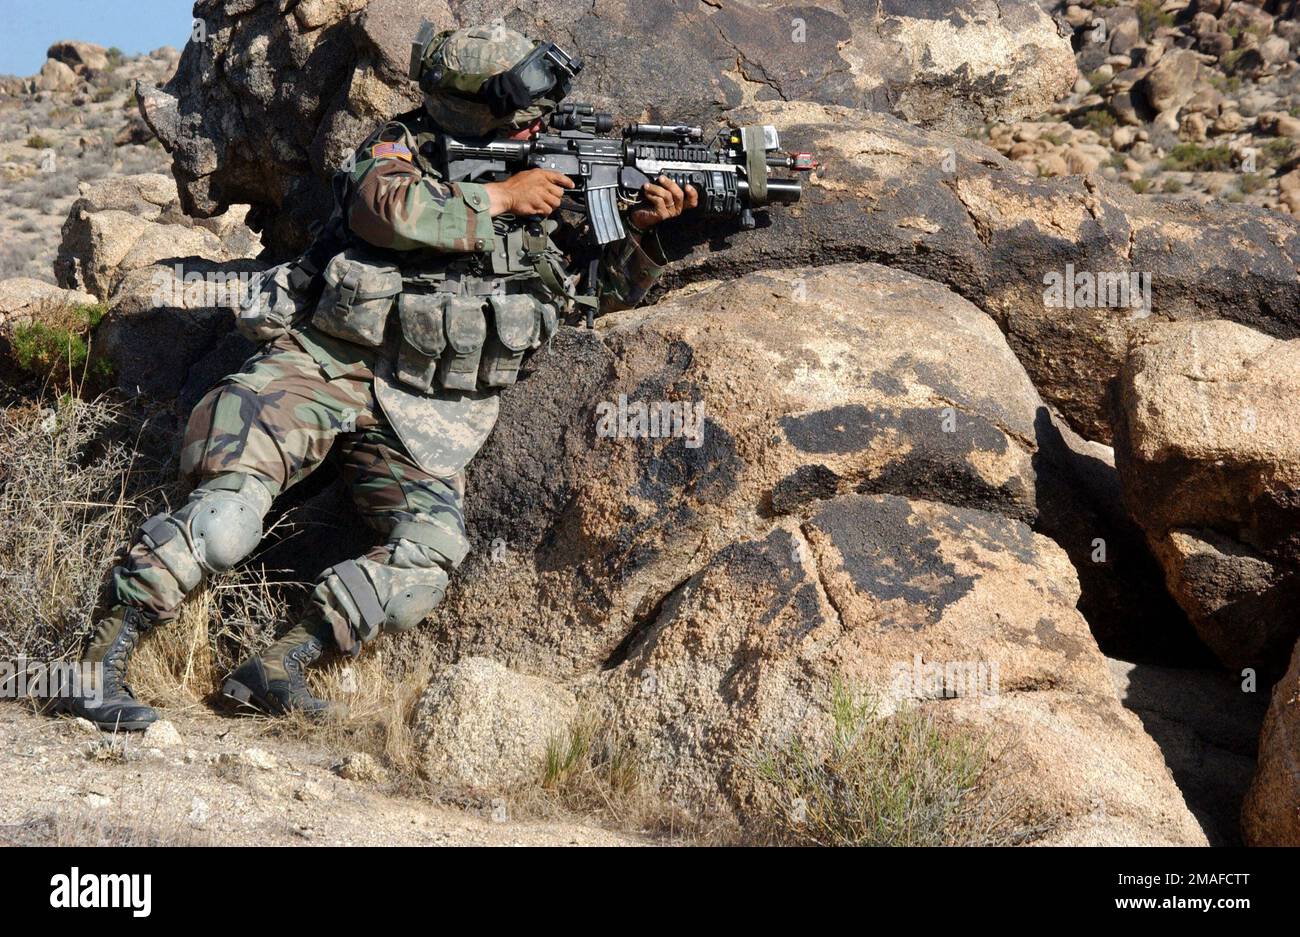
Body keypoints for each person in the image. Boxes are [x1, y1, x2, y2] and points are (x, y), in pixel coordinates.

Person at [62, 22, 697, 730]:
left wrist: (645, 235)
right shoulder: (398, 149)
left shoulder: (553, 179)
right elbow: (384, 208)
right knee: (225, 521)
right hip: (323, 365)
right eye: (519, 118)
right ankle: (93, 669)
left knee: (426, 562)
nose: (532, 129)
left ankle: (277, 666)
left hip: (422, 411)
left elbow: (588, 295)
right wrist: (502, 198)